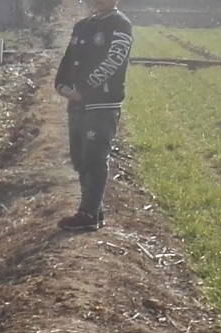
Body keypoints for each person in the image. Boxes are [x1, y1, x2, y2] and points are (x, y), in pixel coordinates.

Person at [53, 0, 132, 231]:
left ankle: (87, 214)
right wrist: (61, 85)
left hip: (102, 104)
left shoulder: (120, 25)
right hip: (76, 104)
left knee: (95, 159)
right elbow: (68, 59)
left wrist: (85, 89)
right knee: (80, 160)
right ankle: (94, 211)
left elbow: (114, 61)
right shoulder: (81, 26)